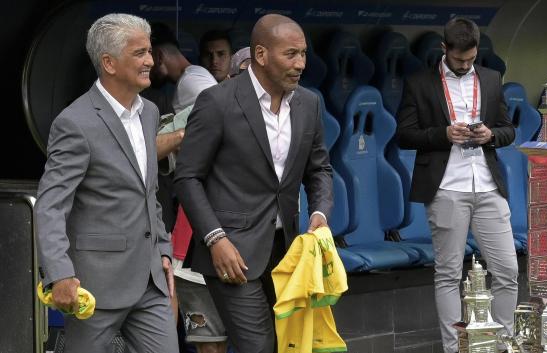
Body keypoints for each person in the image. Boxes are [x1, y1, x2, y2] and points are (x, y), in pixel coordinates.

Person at [174, 14, 333, 353]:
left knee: (286, 344)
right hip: (232, 252)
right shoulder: (217, 101)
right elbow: (187, 177)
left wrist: (319, 215)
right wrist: (215, 238)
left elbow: (319, 169)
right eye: (291, 54)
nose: (301, 63)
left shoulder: (309, 103)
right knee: (258, 345)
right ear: (261, 55)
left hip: (289, 251)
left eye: (303, 53)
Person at [34, 13, 178, 353]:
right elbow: (51, 205)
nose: (150, 61)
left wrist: (163, 249)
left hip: (150, 282)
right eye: (139, 53)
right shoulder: (75, 122)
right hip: (93, 286)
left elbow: (148, 193)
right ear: (109, 63)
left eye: (150, 51)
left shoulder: (150, 113)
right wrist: (59, 274)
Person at [396, 17, 518, 353]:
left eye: (471, 59)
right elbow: (404, 135)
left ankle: (501, 344)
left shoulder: (492, 79)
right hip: (447, 187)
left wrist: (491, 135)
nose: (465, 65)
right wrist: (443, 134)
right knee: (448, 274)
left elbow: (509, 129)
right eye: (459, 59)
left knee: (507, 269)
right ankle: (455, 348)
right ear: (444, 49)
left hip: (488, 186)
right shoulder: (419, 83)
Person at [149, 22, 227, 353]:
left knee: (210, 338)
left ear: (158, 54)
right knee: (205, 333)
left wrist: (175, 138)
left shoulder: (195, 83)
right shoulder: (189, 83)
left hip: (204, 227)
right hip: (192, 227)